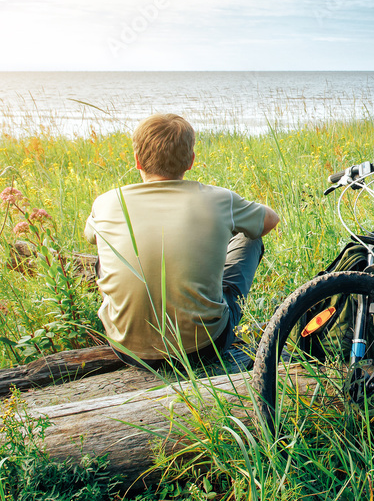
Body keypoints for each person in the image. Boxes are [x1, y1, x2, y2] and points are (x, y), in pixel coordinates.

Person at [84, 113, 279, 368]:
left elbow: (90, 237)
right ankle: (207, 300)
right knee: (249, 239)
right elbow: (270, 220)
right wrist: (219, 230)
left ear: (137, 161)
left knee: (106, 246)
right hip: (204, 347)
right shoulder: (219, 199)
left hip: (126, 349)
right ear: (191, 161)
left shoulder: (107, 202)